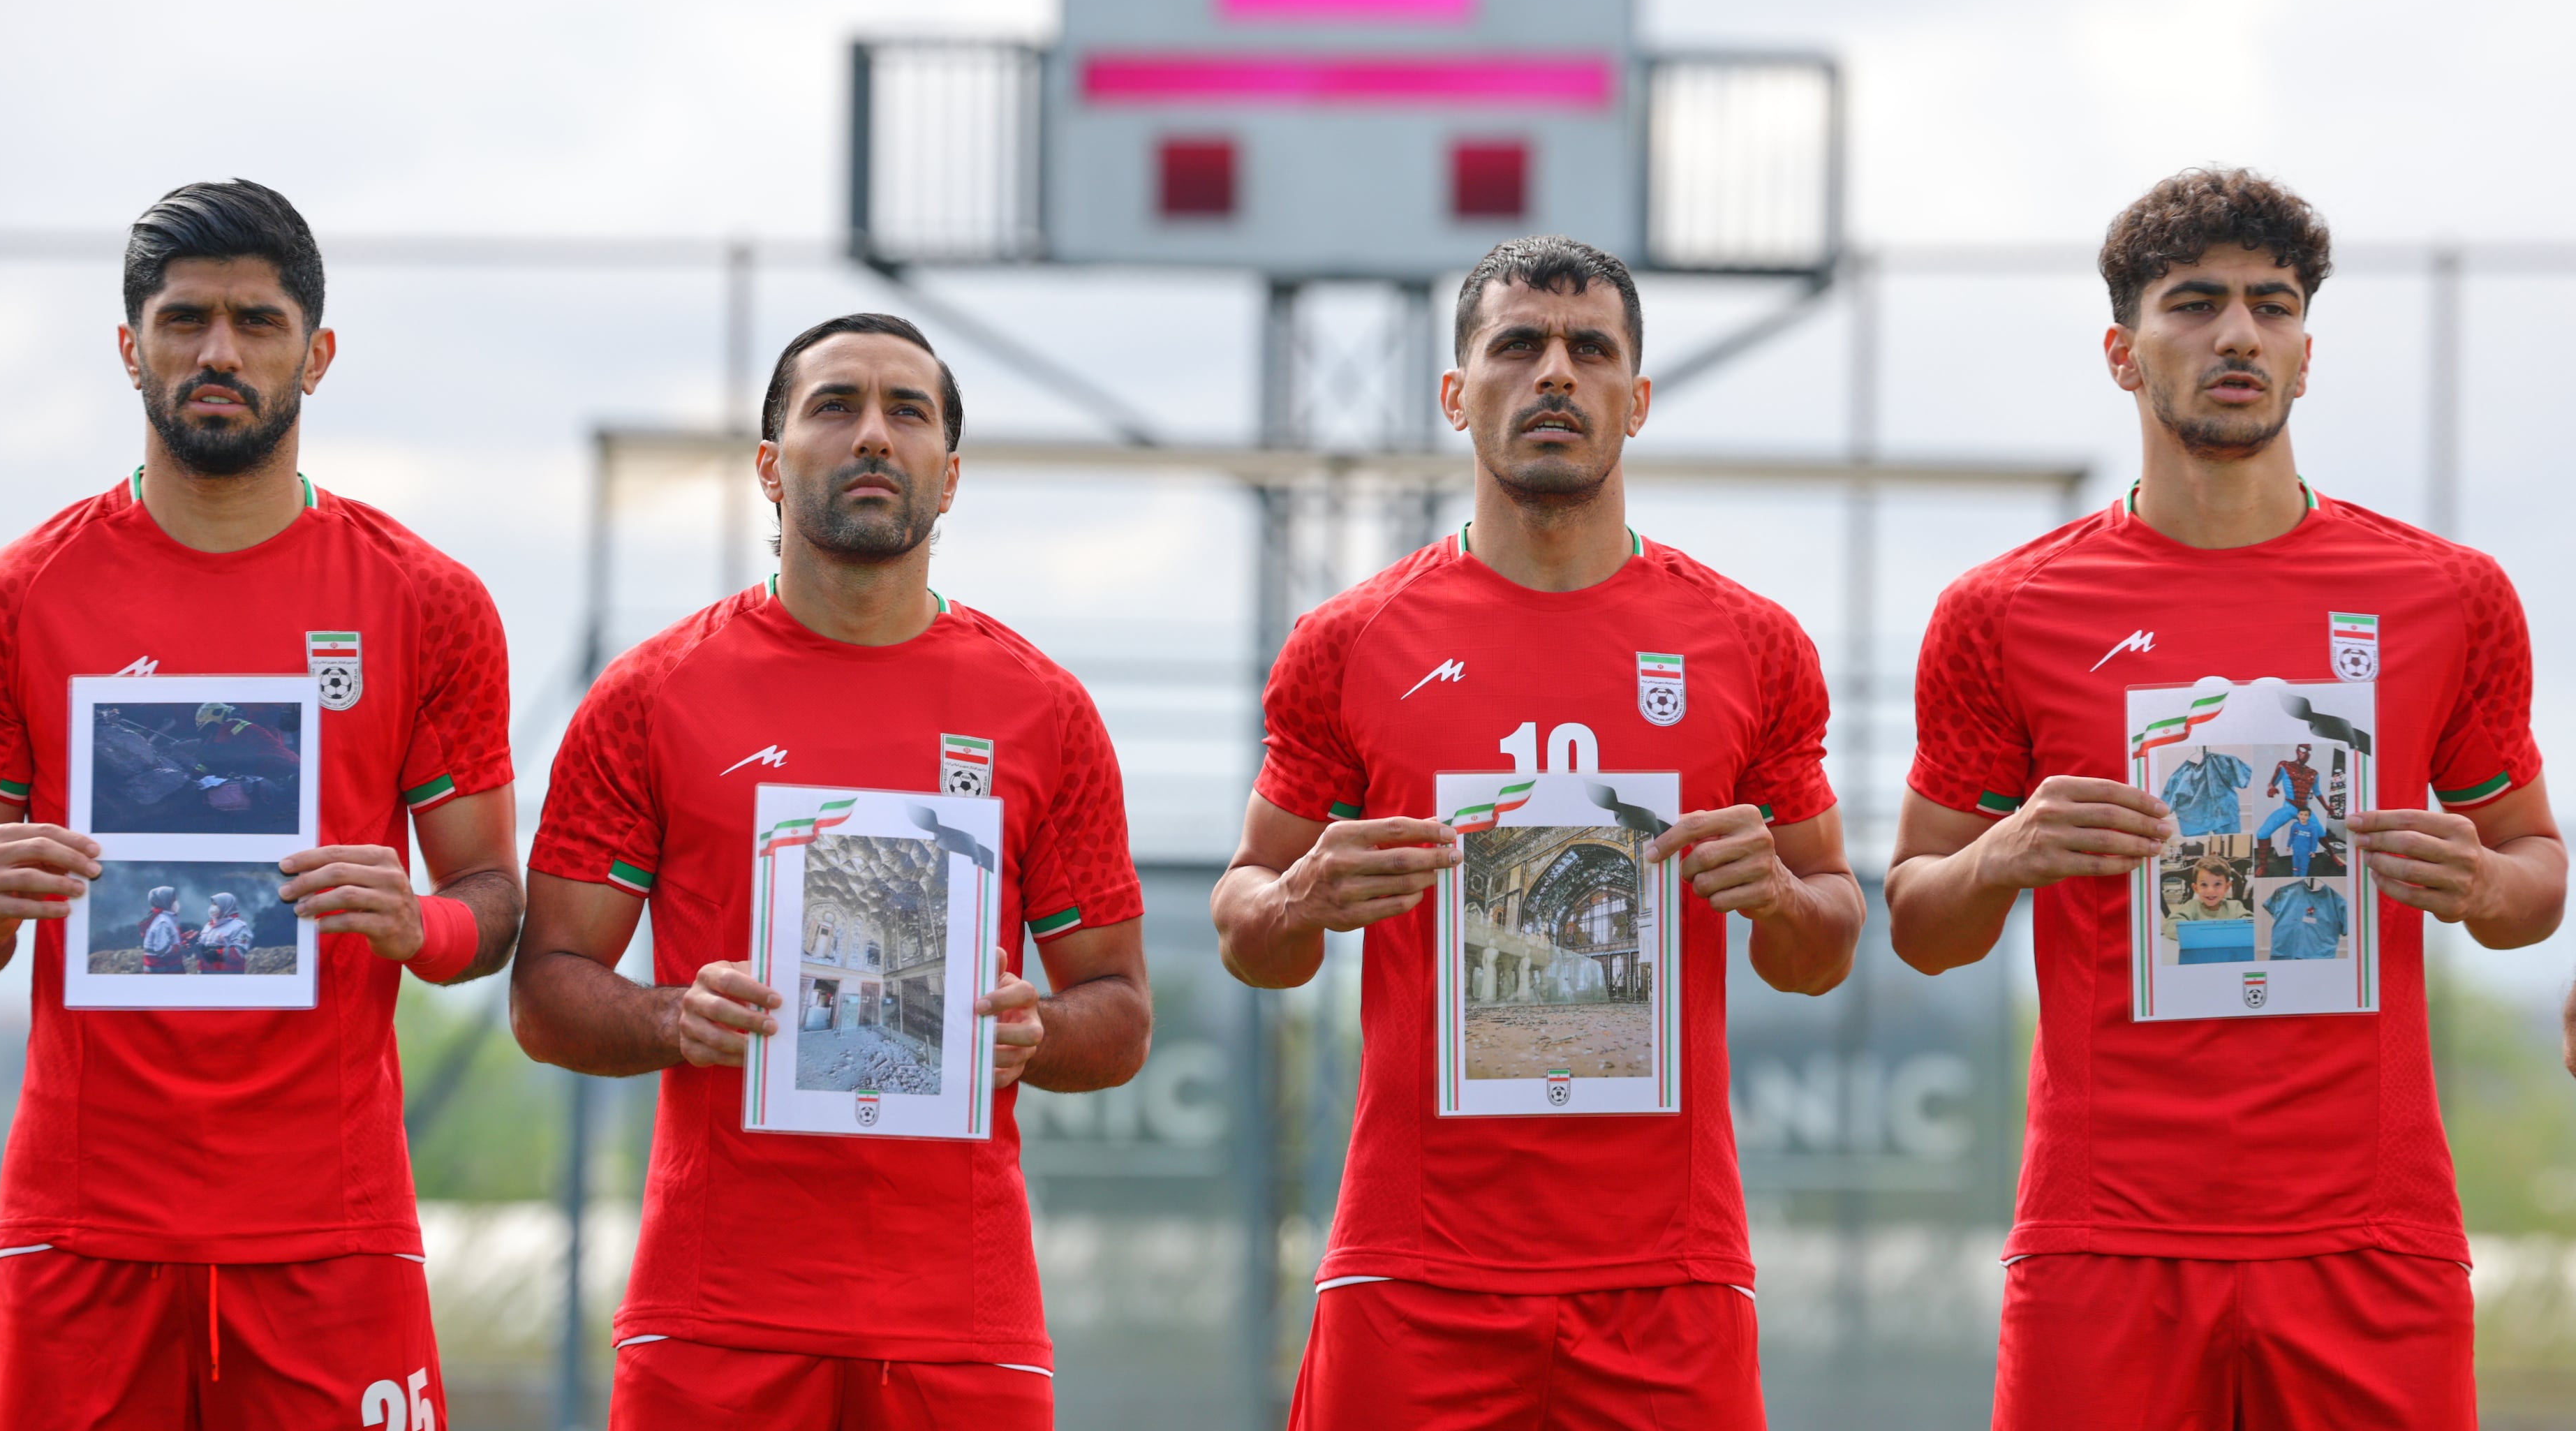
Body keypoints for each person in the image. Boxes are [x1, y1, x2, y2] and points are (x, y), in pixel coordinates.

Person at [1886, 168, 2566, 1430]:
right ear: (2122, 353)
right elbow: (1923, 923)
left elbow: (2535, 880)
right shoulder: (2003, 611)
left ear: (2308, 353)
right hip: (2105, 1238)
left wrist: (2477, 881)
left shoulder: (2448, 596)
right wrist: (2003, 858)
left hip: (2373, 1234)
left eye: (2274, 305)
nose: (2239, 334)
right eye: (2194, 304)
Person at [1212, 236, 1865, 1429]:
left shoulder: (1751, 645)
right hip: (1414, 1269)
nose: (1554, 374)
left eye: (1590, 350)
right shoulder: (1351, 643)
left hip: (1667, 1271)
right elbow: (1250, 919)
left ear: (1639, 398)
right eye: (1518, 346)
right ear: (1459, 394)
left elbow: (1824, 947)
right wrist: (1296, 901)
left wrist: (1775, 893)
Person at [0, 180, 521, 1428]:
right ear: (132, 347)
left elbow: (492, 902)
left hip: (332, 1231)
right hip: (84, 1228)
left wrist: (419, 928)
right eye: (186, 321)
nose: (219, 353)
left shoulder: (427, 603)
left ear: (319, 354)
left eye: (257, 321)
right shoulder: (10, 601)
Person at [512, 313, 1152, 1430]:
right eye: (835, 407)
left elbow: (1122, 1015)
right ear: (770, 466)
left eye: (908, 413)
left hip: (961, 1321)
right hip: (715, 1313)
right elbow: (546, 991)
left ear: (948, 479)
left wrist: (1038, 1032)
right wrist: (674, 1017)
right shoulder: (650, 696)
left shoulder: (1044, 713)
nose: (873, 436)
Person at [196, 891, 254, 975]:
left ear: (226, 906)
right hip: (205, 973)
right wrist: (198, 949)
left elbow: (239, 953)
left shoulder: (240, 927)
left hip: (227, 975)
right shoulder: (208, 926)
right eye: (212, 904)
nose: (213, 907)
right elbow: (202, 947)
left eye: (216, 904)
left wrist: (216, 953)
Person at [140, 884, 185, 974]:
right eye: (173, 899)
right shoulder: (163, 922)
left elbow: (164, 940)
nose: (176, 902)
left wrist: (180, 939)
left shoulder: (164, 919)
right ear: (165, 901)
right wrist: (179, 947)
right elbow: (163, 950)